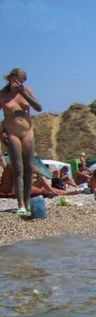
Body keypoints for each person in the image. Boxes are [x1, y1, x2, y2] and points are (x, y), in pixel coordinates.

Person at [0, 68, 42, 215]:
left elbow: (38, 107)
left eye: (22, 80)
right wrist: (1, 131)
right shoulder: (3, 95)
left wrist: (23, 93)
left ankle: (28, 201)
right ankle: (21, 204)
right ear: (11, 78)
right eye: (17, 79)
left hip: (27, 131)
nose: (19, 82)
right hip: (11, 132)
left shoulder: (27, 91)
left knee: (29, 167)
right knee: (18, 168)